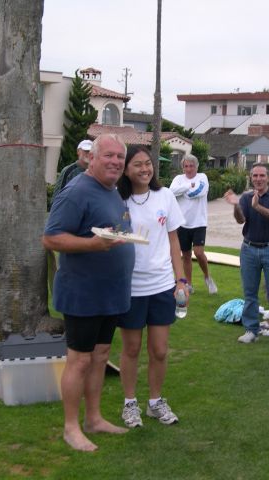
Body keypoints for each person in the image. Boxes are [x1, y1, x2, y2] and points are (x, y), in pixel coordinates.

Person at [42, 134, 135, 452]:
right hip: (83, 292)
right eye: (109, 155)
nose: (115, 162)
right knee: (79, 360)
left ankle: (94, 419)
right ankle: (71, 428)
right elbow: (51, 238)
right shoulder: (76, 191)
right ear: (92, 158)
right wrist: (93, 245)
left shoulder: (112, 191)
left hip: (111, 292)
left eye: (120, 157)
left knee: (100, 357)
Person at [116, 145, 187, 428]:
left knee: (159, 350)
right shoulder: (118, 199)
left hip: (161, 285)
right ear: (126, 170)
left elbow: (173, 240)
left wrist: (181, 280)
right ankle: (129, 403)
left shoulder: (165, 195)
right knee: (131, 348)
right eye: (137, 164)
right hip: (131, 287)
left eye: (148, 163)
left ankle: (155, 402)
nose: (145, 169)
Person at [223, 163, 269, 344]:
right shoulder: (246, 197)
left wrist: (257, 206)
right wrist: (236, 205)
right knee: (250, 293)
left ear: (268, 177)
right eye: (255, 176)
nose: (258, 179)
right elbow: (240, 220)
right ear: (251, 178)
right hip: (249, 250)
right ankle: (251, 330)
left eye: (262, 175)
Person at [169, 154, 217, 294]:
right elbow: (171, 192)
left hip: (199, 222)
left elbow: (197, 193)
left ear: (197, 166)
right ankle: (189, 284)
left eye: (191, 166)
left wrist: (183, 190)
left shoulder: (202, 177)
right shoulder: (178, 179)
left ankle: (207, 277)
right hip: (182, 223)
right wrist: (188, 186)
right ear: (183, 167)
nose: (189, 169)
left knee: (198, 252)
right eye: (186, 166)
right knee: (186, 255)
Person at [50, 139, 93, 205]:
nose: (88, 153)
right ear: (78, 152)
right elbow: (58, 195)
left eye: (90, 151)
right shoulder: (68, 171)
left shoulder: (97, 172)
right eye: (85, 151)